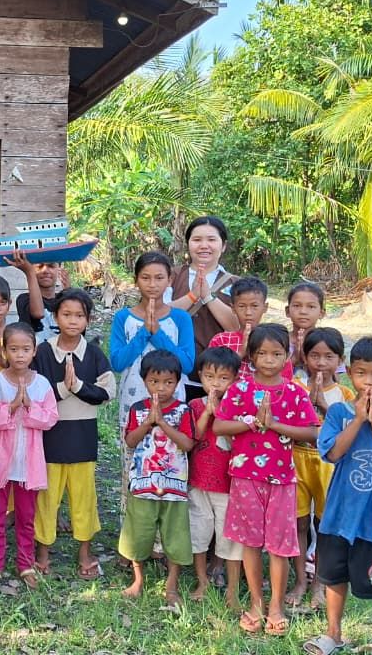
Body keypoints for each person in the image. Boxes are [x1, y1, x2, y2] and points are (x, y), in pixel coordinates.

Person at [305, 337, 372, 655]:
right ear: (350, 372)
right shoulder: (338, 413)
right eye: (361, 373)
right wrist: (357, 420)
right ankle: (333, 634)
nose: (368, 382)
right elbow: (333, 454)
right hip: (340, 514)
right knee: (334, 575)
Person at [213, 324, 320, 637]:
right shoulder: (240, 389)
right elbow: (219, 426)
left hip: (282, 480)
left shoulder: (295, 392)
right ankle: (256, 603)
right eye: (262, 353)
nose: (269, 360)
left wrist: (274, 425)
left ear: (287, 355)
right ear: (251, 356)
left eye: (276, 353)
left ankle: (275, 606)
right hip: (245, 477)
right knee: (250, 543)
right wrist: (251, 423)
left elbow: (312, 433)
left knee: (279, 546)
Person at [110, 251, 195, 553]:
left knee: (168, 464)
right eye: (145, 277)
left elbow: (186, 363)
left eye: (159, 277)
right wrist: (142, 334)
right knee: (133, 466)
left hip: (174, 408)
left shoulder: (181, 318)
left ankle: (164, 543)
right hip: (133, 405)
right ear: (136, 280)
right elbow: (118, 361)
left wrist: (157, 334)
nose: (152, 284)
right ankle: (133, 541)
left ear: (170, 280)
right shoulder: (123, 318)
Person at [31, 288, 115, 579]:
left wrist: (78, 386)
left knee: (84, 498)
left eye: (79, 315)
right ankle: (43, 552)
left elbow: (107, 392)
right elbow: (35, 393)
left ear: (88, 320)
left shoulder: (93, 353)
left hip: (82, 436)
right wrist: (64, 389)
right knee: (47, 498)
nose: (73, 320)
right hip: (50, 437)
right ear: (55, 317)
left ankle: (84, 553)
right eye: (66, 314)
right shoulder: (43, 352)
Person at [0, 323, 58, 592]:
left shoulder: (42, 384)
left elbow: (50, 418)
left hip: (28, 463)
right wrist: (12, 407)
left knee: (26, 516)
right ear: (4, 351)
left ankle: (25, 564)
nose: (20, 355)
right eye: (13, 349)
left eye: (26, 349)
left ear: (34, 351)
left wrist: (29, 406)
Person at [118, 350, 196, 605]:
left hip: (174, 486)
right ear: (144, 381)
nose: (161, 388)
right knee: (139, 532)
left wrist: (162, 423)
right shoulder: (138, 409)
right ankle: (138, 580)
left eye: (168, 382)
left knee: (175, 535)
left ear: (177, 382)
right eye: (154, 381)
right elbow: (130, 441)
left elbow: (187, 444)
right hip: (143, 483)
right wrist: (147, 423)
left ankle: (171, 585)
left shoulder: (183, 410)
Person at [288, 327, 354, 609]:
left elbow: (351, 432)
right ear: (304, 357)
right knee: (299, 522)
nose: (321, 363)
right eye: (315, 356)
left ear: (340, 361)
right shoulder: (294, 386)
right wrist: (307, 402)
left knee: (324, 525)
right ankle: (300, 580)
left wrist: (324, 405)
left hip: (330, 466)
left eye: (329, 357)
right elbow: (287, 421)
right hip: (296, 459)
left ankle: (319, 583)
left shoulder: (345, 394)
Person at [186, 346, 243, 608]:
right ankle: (202, 581)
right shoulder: (195, 405)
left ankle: (232, 590)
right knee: (199, 531)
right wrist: (208, 412)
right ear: (200, 375)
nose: (215, 384)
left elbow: (237, 444)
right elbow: (193, 438)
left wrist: (221, 413)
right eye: (209, 377)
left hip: (228, 484)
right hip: (198, 480)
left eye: (223, 378)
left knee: (228, 536)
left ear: (235, 379)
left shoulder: (238, 408)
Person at [166, 216, 241, 400]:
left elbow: (237, 326)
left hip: (220, 377)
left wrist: (207, 296)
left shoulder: (236, 283)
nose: (204, 245)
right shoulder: (170, 276)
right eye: (197, 239)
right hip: (172, 375)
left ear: (223, 245)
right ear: (188, 244)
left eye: (211, 239)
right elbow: (159, 316)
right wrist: (191, 296)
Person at [207, 276, 292, 381]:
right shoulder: (221, 341)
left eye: (254, 306)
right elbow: (211, 376)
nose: (248, 312)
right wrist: (240, 354)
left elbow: (284, 381)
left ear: (265, 307)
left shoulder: (276, 341)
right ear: (233, 308)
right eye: (242, 306)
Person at [7, 251, 68, 339]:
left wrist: (69, 292)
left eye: (51, 266)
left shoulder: (63, 299)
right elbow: (38, 313)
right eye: (40, 266)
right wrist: (29, 272)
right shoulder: (24, 299)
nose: (45, 270)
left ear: (59, 269)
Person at [285, 281, 328, 375]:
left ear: (321, 313)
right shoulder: (278, 341)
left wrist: (307, 361)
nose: (303, 311)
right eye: (297, 306)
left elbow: (334, 380)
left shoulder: (327, 343)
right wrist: (294, 359)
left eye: (311, 306)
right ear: (287, 311)